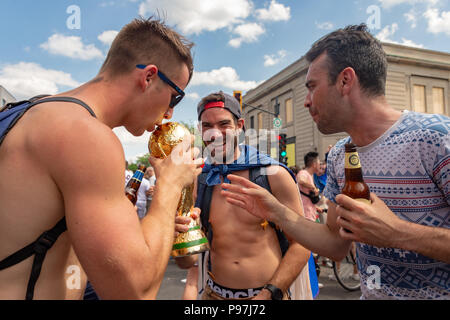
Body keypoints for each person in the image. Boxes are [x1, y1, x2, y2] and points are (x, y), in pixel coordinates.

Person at [221, 24, 449, 300]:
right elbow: (335, 244)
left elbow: (391, 234)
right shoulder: (341, 155)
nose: (305, 102)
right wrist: (276, 212)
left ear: (345, 81)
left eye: (312, 87)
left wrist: (399, 233)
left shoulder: (437, 138)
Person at [0, 17, 202, 299]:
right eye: (175, 97)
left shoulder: (32, 111)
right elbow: (135, 292)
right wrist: (169, 186)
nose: (169, 113)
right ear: (148, 77)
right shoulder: (86, 136)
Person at [175, 91, 313, 300]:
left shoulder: (272, 174)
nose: (215, 134)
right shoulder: (199, 178)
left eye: (224, 124)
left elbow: (302, 244)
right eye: (207, 126)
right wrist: (179, 237)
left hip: (266, 296)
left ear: (239, 126)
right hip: (214, 295)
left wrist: (270, 293)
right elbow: (188, 261)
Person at [297, 152, 321, 222]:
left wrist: (316, 208)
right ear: (314, 164)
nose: (320, 164)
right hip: (306, 214)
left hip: (310, 213)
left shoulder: (311, 175)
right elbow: (300, 180)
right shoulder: (303, 173)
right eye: (319, 162)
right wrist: (313, 188)